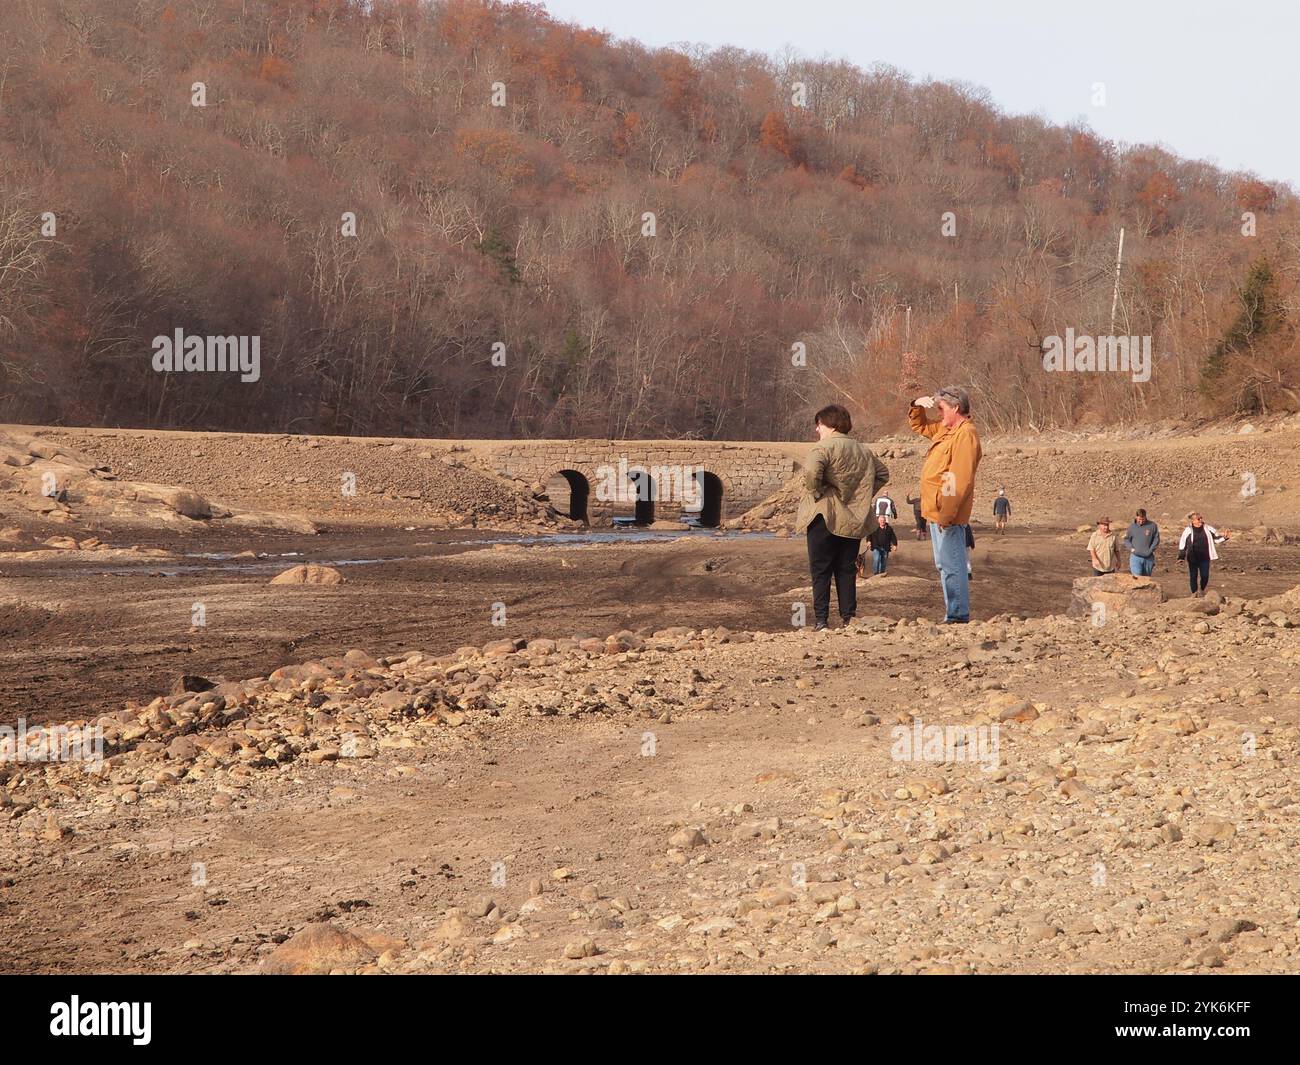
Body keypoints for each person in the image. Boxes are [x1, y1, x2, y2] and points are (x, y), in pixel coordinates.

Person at [794, 404, 890, 630]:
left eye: (818, 425)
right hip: (853, 518)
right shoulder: (863, 450)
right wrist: (863, 495)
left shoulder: (823, 448)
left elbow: (810, 474)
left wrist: (817, 491)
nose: (817, 430)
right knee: (846, 569)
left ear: (829, 425)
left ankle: (821, 621)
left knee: (821, 570)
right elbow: (883, 473)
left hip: (824, 516)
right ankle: (849, 618)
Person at [908, 386, 982, 624]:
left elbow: (958, 479)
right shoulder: (946, 430)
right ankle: (953, 612)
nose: (938, 413)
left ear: (956, 408)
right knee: (944, 564)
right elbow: (919, 426)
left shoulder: (965, 434)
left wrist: (946, 515)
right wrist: (917, 405)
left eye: (941, 408)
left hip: (946, 514)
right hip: (935, 512)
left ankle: (958, 615)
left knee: (952, 565)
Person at [1177, 512, 1231, 597]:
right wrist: (1181, 557)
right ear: (1193, 521)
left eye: (1201, 518)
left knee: (1205, 575)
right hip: (1193, 557)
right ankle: (1194, 593)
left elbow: (1216, 539)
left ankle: (1202, 590)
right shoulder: (1188, 530)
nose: (1201, 520)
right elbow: (1183, 544)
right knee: (1193, 576)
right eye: (1198, 519)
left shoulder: (1208, 528)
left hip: (1205, 557)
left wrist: (1224, 538)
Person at [1123, 508, 1160, 576]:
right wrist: (1131, 548)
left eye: (1143, 519)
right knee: (1137, 578)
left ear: (1145, 517)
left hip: (1148, 558)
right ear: (1136, 517)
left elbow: (1156, 539)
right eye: (1139, 519)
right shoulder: (1132, 527)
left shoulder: (1152, 526)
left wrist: (1151, 550)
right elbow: (1126, 539)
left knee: (1146, 579)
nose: (1141, 521)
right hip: (1135, 557)